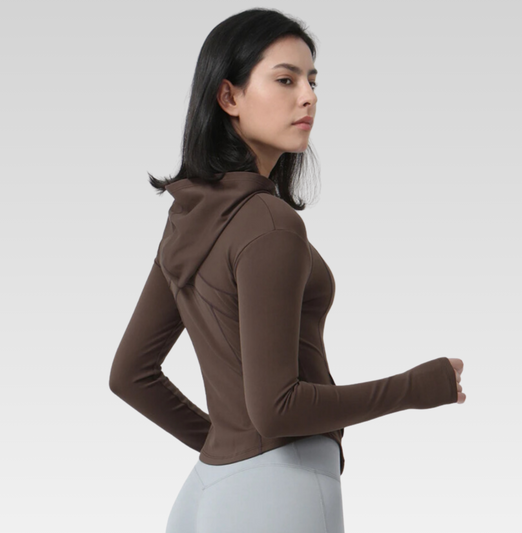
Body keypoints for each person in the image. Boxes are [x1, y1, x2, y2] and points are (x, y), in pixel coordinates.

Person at [108, 8, 466, 533]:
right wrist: (416, 387)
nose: (308, 97)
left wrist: (228, 451)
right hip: (281, 490)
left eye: (312, 81)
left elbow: (130, 375)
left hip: (207, 492)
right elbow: (278, 409)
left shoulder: (190, 215)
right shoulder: (270, 223)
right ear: (228, 97)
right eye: (285, 80)